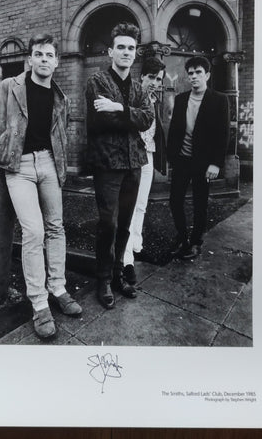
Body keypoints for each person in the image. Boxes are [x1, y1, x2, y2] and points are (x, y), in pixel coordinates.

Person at [0, 33, 82, 339]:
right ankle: (39, 304)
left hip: (49, 163)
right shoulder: (10, 87)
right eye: (38, 54)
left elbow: (59, 130)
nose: (43, 60)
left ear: (56, 61)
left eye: (49, 55)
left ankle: (59, 289)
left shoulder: (58, 95)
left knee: (55, 227)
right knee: (34, 231)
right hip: (20, 167)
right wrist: (3, 149)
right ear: (30, 59)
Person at [86, 22, 154, 309]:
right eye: (121, 47)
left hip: (134, 163)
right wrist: (127, 114)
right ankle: (102, 280)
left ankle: (116, 275)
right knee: (108, 224)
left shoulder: (139, 88)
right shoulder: (97, 82)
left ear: (136, 54)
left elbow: (148, 118)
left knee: (125, 224)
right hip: (108, 164)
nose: (126, 52)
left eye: (131, 48)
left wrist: (120, 108)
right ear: (111, 51)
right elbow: (104, 119)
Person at [167, 55, 230, 259]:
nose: (194, 77)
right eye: (191, 73)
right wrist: (171, 158)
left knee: (199, 203)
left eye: (198, 73)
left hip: (204, 163)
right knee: (175, 200)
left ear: (207, 75)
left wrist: (215, 163)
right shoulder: (181, 99)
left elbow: (223, 133)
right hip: (182, 160)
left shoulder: (219, 100)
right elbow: (175, 131)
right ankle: (183, 237)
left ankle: (195, 242)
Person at [122, 56, 167, 285]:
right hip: (133, 158)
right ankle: (126, 259)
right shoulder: (132, 96)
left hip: (148, 157)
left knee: (141, 205)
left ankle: (137, 246)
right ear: (142, 76)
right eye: (151, 77)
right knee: (129, 208)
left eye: (159, 79)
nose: (155, 83)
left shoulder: (154, 99)